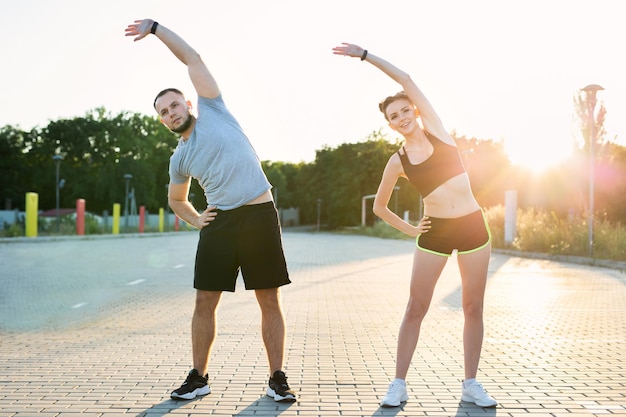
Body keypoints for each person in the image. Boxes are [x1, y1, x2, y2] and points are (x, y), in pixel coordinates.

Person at [124, 19, 296, 403]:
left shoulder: (214, 110)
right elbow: (175, 199)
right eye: (163, 112)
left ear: (188, 103)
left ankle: (277, 377)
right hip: (220, 225)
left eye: (174, 105)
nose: (170, 113)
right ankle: (198, 377)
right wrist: (196, 219)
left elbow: (192, 58)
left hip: (258, 215)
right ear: (162, 121)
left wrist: (155, 28)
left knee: (269, 300)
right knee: (204, 302)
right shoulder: (179, 158)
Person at [332, 43, 497, 408]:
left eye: (406, 110)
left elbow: (405, 77)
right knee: (415, 308)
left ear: (416, 111)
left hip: (473, 227)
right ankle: (398, 383)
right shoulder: (399, 161)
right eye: (394, 115)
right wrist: (411, 231)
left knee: (473, 307)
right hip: (435, 232)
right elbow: (379, 207)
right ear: (389, 124)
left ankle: (471, 383)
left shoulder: (438, 132)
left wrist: (365, 56)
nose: (402, 116)